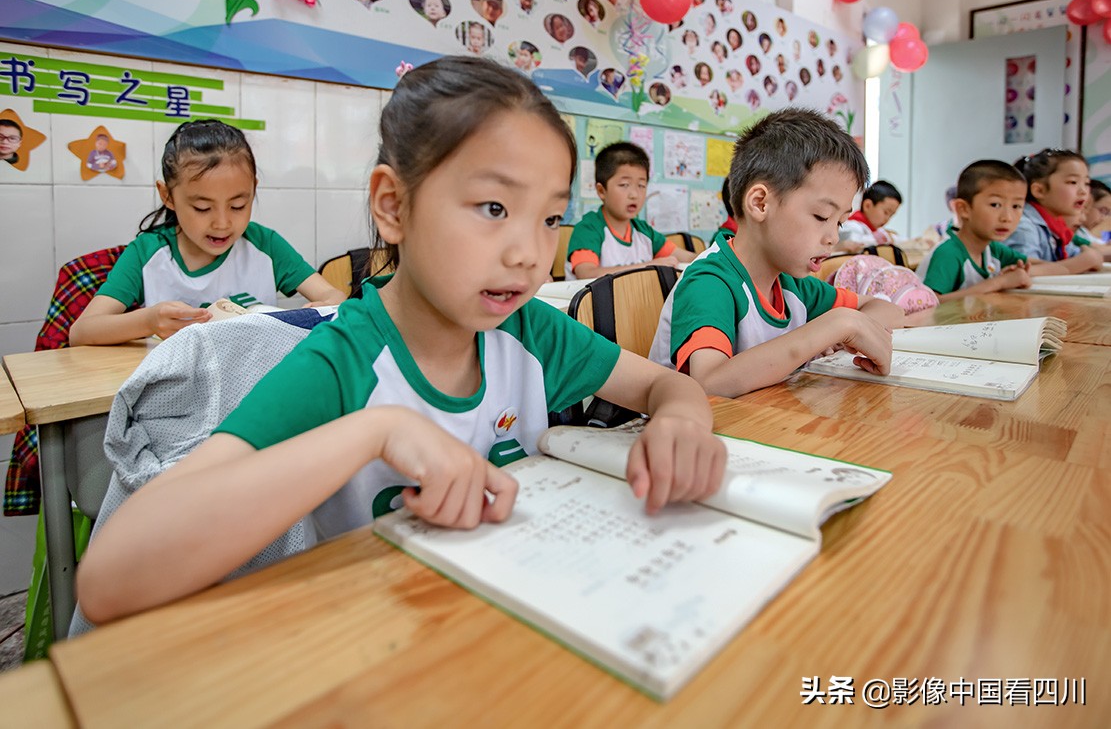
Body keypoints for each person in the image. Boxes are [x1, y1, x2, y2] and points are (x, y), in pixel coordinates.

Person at [75, 57, 726, 624]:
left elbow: (665, 384)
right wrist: (373, 430)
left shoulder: (529, 331)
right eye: (494, 208)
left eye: (550, 216)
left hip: (510, 627)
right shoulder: (342, 361)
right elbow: (110, 581)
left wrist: (682, 419)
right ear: (391, 205)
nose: (531, 253)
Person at [648, 108, 903, 397]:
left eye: (840, 221)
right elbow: (710, 383)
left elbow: (886, 309)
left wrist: (852, 328)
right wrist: (832, 328)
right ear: (760, 204)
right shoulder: (710, 282)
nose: (833, 237)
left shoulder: (792, 285)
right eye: (821, 216)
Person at [69, 120, 345, 346]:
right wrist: (149, 321)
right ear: (168, 196)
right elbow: (82, 332)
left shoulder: (264, 245)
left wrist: (315, 313)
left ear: (253, 189)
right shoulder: (147, 252)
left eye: (239, 205)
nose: (223, 223)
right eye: (202, 208)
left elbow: (335, 298)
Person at [566, 142, 698, 280]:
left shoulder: (644, 231)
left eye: (641, 185)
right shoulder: (589, 229)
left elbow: (687, 257)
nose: (634, 194)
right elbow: (587, 274)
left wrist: (715, 254)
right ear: (601, 191)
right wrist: (649, 267)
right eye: (624, 185)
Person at [915, 160, 1039, 299]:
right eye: (995, 204)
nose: (1007, 217)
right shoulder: (948, 253)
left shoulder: (992, 249)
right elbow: (930, 305)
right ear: (963, 209)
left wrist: (1018, 274)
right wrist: (999, 282)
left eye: (1016, 206)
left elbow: (1044, 267)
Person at [1005, 149, 1104, 273]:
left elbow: (1081, 256)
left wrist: (1088, 258)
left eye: (1086, 183)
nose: (1083, 191)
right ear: (1039, 190)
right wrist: (1083, 261)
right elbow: (1021, 272)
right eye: (1073, 182)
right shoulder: (1024, 226)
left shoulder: (1057, 226)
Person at [837, 180, 902, 250]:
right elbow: (852, 242)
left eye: (891, 215)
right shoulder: (852, 226)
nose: (887, 219)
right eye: (886, 212)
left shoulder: (876, 230)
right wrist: (881, 238)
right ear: (867, 206)